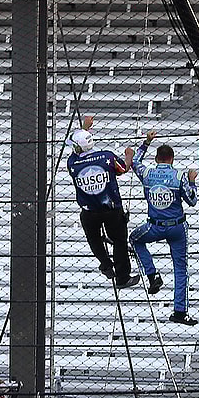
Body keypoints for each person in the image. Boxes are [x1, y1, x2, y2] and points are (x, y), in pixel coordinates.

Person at [128, 130, 199, 325]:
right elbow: (192, 200)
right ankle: (180, 310)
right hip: (177, 227)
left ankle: (152, 274)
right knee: (180, 268)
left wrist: (147, 141)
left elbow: (134, 161)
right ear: (172, 159)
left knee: (134, 239)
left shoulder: (148, 173)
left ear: (156, 158)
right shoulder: (178, 176)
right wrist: (192, 181)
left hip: (154, 226)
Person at [67, 115, 140, 289]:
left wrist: (85, 127)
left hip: (89, 210)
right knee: (119, 241)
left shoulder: (73, 164)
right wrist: (129, 155)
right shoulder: (106, 157)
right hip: (111, 209)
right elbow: (123, 169)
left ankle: (106, 264)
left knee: (94, 239)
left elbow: (75, 153)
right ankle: (122, 277)